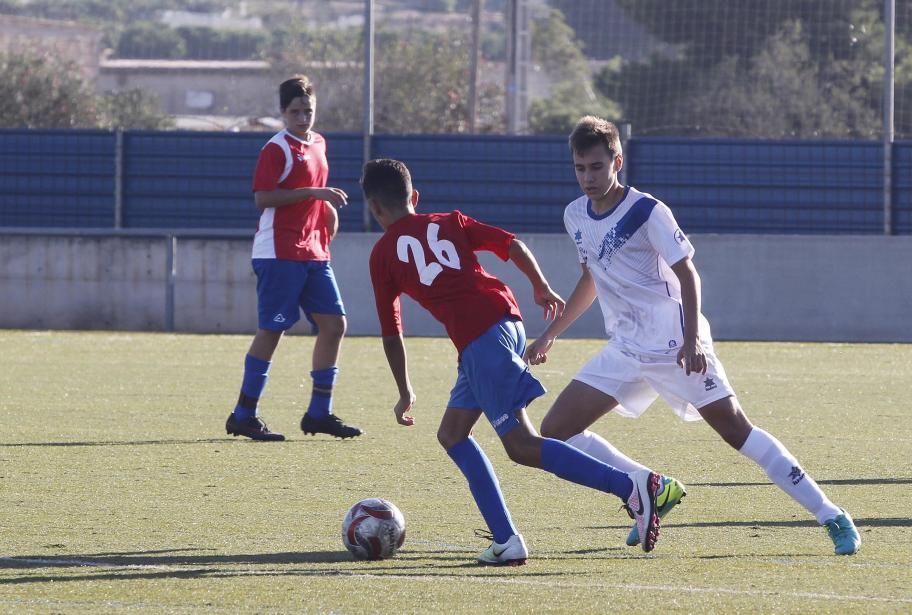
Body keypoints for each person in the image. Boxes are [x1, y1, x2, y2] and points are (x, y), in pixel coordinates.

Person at [525, 116, 861, 556]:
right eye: (579, 168)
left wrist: (692, 340)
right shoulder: (574, 215)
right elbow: (590, 279)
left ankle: (830, 514)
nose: (588, 177)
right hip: (626, 347)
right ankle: (650, 488)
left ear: (617, 162)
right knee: (556, 430)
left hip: (672, 342)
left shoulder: (647, 211)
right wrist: (551, 334)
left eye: (596, 167)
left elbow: (687, 273)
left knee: (736, 430)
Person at [361, 158, 664, 565]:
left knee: (521, 445)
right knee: (452, 434)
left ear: (374, 208)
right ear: (414, 197)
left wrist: (404, 389)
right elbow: (512, 245)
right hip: (501, 325)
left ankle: (629, 487)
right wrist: (540, 287)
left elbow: (391, 332)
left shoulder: (381, 255)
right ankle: (505, 540)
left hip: (482, 341)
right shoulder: (449, 220)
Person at [225, 75, 362, 442]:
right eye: (296, 111)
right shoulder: (277, 148)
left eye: (309, 111)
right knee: (273, 329)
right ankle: (243, 414)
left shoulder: (318, 143)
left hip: (314, 250)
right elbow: (263, 198)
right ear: (283, 113)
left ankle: (319, 413)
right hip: (278, 252)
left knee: (335, 325)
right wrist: (313, 192)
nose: (304, 118)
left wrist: (326, 213)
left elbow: (315, 197)